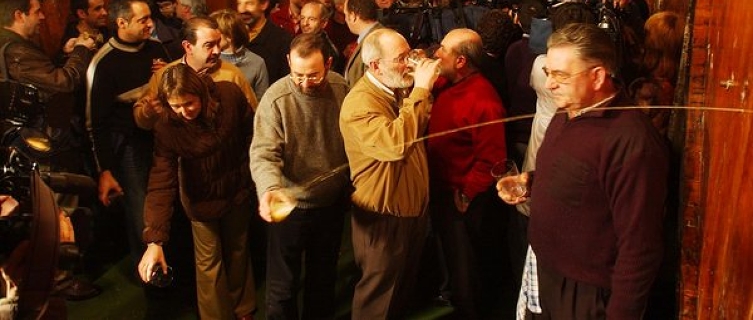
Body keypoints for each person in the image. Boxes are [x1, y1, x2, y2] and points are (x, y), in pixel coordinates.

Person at [497, 23, 669, 319]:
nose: (549, 84)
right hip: (544, 270)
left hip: (585, 293)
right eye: (548, 72)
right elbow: (582, 180)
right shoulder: (567, 111)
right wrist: (530, 183)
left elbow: (640, 247)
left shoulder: (631, 142)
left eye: (560, 75)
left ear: (598, 76)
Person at [136, 63, 256, 320]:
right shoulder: (168, 126)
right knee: (208, 264)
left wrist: (250, 175)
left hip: (237, 190)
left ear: (201, 93)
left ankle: (244, 310)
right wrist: (155, 240)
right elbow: (161, 181)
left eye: (188, 103)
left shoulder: (229, 95)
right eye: (175, 106)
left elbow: (252, 133)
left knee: (238, 251)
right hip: (200, 200)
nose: (183, 112)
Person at [339, 28, 439, 319]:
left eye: (409, 55)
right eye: (400, 59)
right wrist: (421, 89)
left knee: (400, 294)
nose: (408, 64)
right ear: (375, 66)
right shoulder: (360, 104)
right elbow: (395, 145)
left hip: (409, 211)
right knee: (378, 300)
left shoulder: (397, 86)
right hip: (383, 217)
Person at [249, 33, 350, 320]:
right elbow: (264, 153)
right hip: (290, 207)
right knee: (283, 288)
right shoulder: (276, 98)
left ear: (328, 64)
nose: (305, 83)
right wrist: (269, 188)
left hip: (330, 205)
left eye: (314, 76)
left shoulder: (341, 87)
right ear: (288, 63)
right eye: (298, 75)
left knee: (323, 280)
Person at [427, 28, 507, 319]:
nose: (436, 53)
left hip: (461, 199)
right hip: (442, 191)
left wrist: (467, 193)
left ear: (460, 61)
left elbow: (493, 159)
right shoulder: (446, 83)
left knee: (466, 271)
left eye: (443, 50)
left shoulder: (484, 100)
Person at [86, 0, 171, 269]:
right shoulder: (103, 63)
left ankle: (175, 264)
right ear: (122, 23)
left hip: (163, 137)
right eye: (143, 19)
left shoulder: (157, 49)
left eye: (150, 18)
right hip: (130, 147)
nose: (150, 24)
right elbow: (94, 124)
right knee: (142, 214)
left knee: (168, 203)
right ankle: (152, 275)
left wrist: (166, 75)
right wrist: (106, 170)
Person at [133, 17, 258, 130]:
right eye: (209, 45)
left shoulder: (232, 74)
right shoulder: (164, 75)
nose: (217, 51)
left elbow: (254, 116)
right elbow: (141, 121)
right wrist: (147, 112)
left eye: (218, 43)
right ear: (188, 47)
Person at [0, 0, 95, 100]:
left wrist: (64, 53)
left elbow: (46, 73)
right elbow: (66, 84)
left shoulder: (15, 46)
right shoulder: (18, 53)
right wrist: (81, 49)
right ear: (19, 16)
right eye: (37, 12)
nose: (42, 16)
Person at [211, 9, 269, 100]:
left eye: (215, 33)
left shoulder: (257, 62)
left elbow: (262, 102)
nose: (211, 37)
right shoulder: (211, 60)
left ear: (229, 36)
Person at [237, 0, 292, 83]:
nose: (242, 10)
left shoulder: (282, 39)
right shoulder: (232, 37)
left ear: (264, 4)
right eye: (239, 4)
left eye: (249, 3)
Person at [342, 0, 382, 86]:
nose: (345, 19)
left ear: (353, 16)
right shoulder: (376, 35)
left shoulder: (375, 41)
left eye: (345, 14)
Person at [299, 1, 343, 73]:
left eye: (311, 19)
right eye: (302, 18)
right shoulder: (297, 41)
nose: (305, 23)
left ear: (324, 23)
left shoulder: (328, 51)